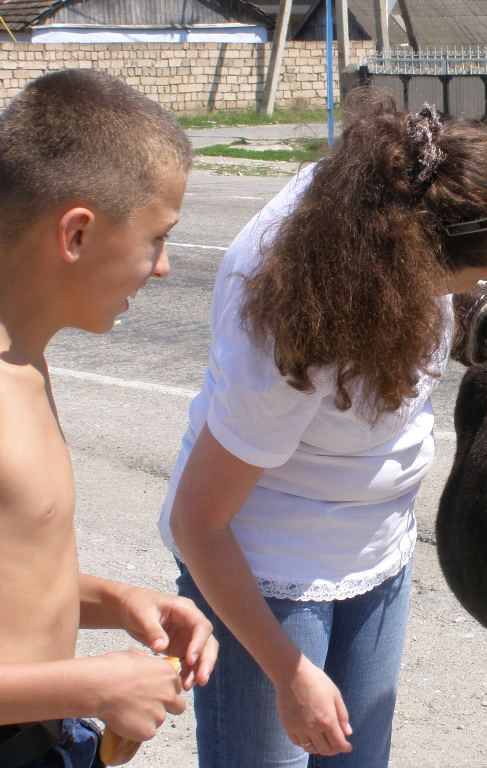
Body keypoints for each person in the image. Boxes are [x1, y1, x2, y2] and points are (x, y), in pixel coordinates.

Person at [160, 92, 487, 768]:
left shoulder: (391, 202)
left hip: (375, 552)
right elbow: (198, 523)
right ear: (417, 263)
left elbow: (461, 313)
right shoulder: (288, 332)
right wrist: (288, 672)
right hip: (266, 574)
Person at [0, 69, 219, 767]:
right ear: (77, 234)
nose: (163, 268)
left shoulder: (24, 359)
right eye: (157, 238)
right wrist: (91, 683)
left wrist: (114, 599)